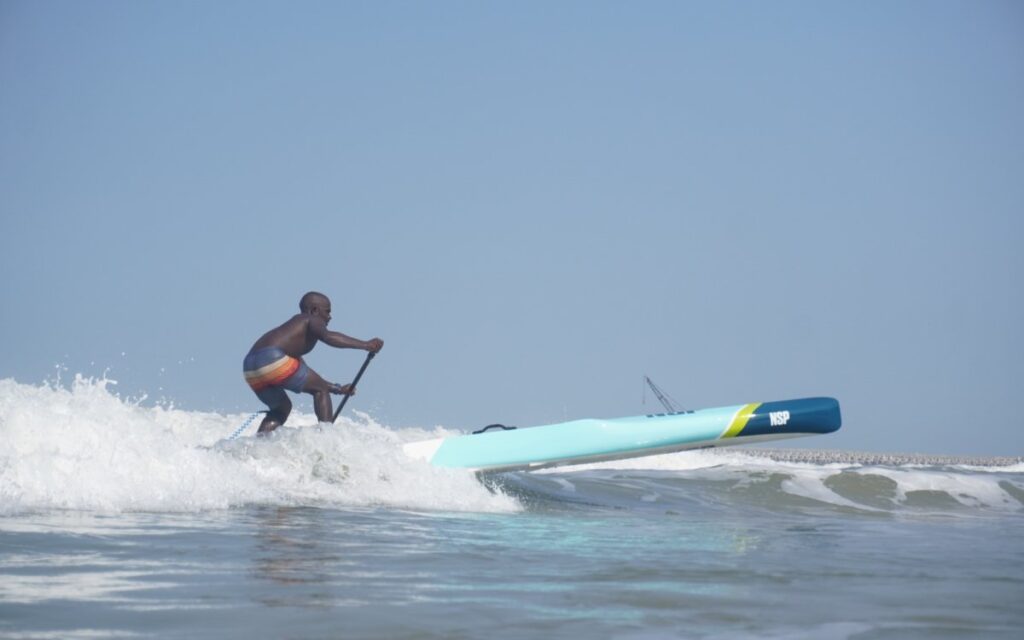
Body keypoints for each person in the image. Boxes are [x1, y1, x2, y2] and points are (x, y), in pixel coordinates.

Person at [243, 291, 383, 434]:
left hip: (250, 368)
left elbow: (309, 377)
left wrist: (337, 389)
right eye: (327, 311)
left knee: (281, 409)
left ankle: (260, 444)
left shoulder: (291, 334)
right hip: (272, 358)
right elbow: (328, 337)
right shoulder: (311, 319)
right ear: (314, 310)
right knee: (320, 390)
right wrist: (366, 345)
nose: (330, 317)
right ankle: (327, 436)